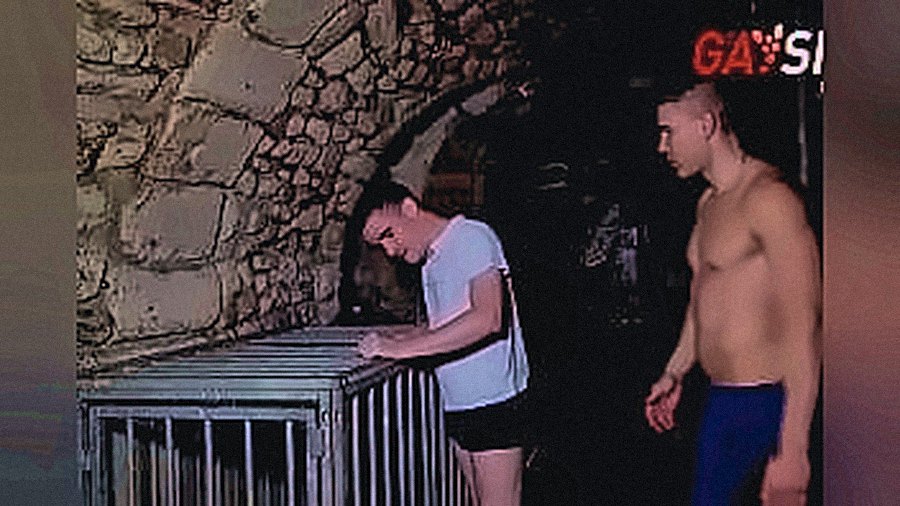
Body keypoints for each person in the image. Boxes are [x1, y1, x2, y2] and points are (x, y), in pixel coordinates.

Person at [644, 81, 821, 505]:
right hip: (722, 399)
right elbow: (702, 297)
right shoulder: (709, 203)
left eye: (669, 132)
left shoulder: (771, 198)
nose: (662, 147)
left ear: (706, 125)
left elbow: (807, 327)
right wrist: (675, 371)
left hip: (769, 402)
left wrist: (794, 448)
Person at [357, 179, 530, 506]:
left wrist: (397, 348)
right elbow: (446, 327)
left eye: (388, 234)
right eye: (381, 245)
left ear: (409, 208)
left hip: (494, 403)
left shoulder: (471, 237)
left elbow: (488, 318)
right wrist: (399, 337)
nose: (390, 251)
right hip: (461, 404)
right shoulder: (433, 261)